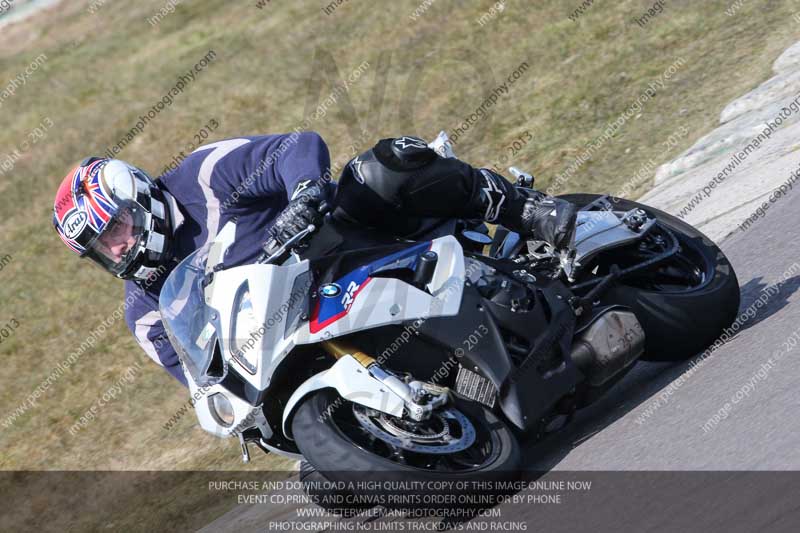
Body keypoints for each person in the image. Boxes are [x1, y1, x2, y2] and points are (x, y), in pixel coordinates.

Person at [52, 132, 576, 386]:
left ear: (138, 196)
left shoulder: (203, 176)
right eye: (101, 248)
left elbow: (293, 147)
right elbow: (204, 383)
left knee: (380, 169)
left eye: (114, 228)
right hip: (307, 339)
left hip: (346, 248)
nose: (117, 248)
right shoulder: (145, 313)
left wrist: (303, 193)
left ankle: (539, 214)